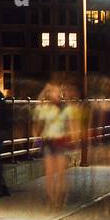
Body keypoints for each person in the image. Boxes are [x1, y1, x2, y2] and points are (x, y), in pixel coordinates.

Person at [35, 80, 72, 210]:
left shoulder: (65, 109)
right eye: (52, 92)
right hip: (48, 141)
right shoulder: (44, 108)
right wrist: (44, 90)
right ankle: (52, 201)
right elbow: (38, 118)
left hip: (60, 142)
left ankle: (59, 199)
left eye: (57, 92)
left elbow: (71, 125)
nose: (55, 94)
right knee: (49, 174)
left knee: (61, 174)